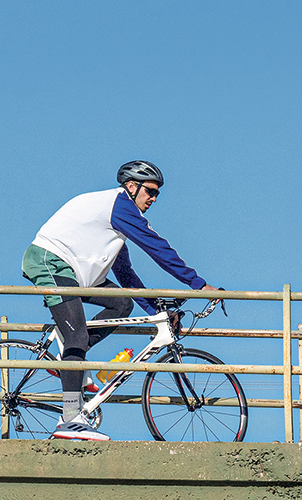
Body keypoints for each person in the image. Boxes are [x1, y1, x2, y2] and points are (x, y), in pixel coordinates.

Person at [21, 160, 221, 440]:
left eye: (157, 194)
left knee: (121, 303)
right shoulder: (120, 206)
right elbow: (156, 247)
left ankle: (69, 358)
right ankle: (69, 420)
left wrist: (156, 311)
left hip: (76, 271)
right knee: (77, 334)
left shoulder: (117, 221)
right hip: (49, 261)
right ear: (131, 186)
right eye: (150, 191)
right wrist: (198, 285)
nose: (153, 198)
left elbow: (125, 274)